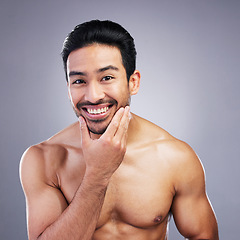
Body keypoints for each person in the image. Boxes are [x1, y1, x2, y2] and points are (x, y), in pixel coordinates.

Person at [20, 20, 219, 240]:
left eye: (106, 78)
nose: (93, 96)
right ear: (68, 89)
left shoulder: (175, 157)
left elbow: (204, 235)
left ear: (132, 82)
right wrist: (97, 176)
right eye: (79, 81)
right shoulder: (43, 159)